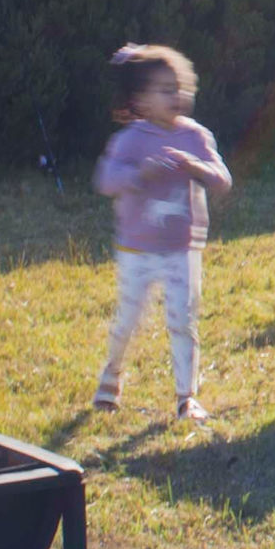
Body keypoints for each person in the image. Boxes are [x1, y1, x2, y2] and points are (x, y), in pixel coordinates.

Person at [94, 43, 233, 419]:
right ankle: (111, 376)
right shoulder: (129, 140)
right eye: (166, 90)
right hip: (137, 250)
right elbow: (105, 179)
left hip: (182, 249)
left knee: (182, 321)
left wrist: (195, 167)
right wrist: (140, 174)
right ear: (141, 100)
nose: (177, 96)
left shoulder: (195, 137)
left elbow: (223, 180)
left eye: (181, 88)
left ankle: (186, 397)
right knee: (127, 320)